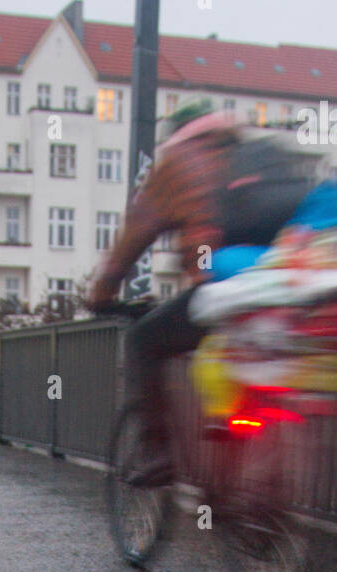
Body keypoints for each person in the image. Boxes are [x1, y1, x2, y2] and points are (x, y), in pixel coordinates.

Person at [87, 101, 239, 484]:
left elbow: (134, 237)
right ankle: (251, 486)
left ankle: (158, 454)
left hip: (220, 289)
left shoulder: (178, 163)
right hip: (280, 287)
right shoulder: (244, 153)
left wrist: (102, 294)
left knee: (143, 341)